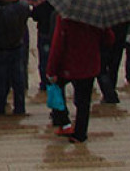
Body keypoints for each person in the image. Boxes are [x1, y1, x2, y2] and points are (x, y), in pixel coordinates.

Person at [47, 15, 114, 143]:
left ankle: (62, 121)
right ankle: (80, 134)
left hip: (68, 64)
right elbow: (109, 39)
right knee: (84, 102)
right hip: (90, 64)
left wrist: (51, 69)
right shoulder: (96, 15)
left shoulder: (64, 16)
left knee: (57, 88)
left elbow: (58, 44)